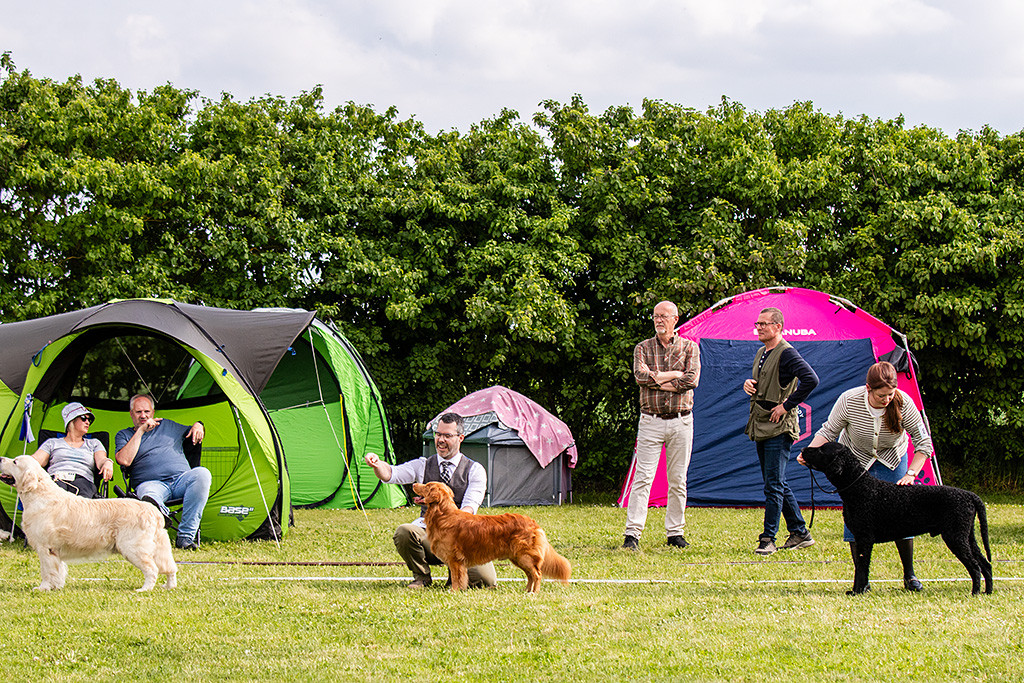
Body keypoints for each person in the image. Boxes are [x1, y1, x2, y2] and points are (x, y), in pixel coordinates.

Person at [800, 360, 933, 591]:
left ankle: (910, 576)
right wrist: (808, 453)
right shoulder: (849, 400)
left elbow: (924, 443)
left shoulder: (904, 403)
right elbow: (829, 431)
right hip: (856, 463)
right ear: (868, 388)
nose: (887, 399)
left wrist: (912, 473)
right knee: (856, 521)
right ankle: (862, 582)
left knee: (902, 517)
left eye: (891, 394)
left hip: (893, 461)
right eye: (882, 395)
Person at [364, 412, 497, 589]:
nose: (440, 440)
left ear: (460, 438)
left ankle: (454, 574)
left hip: (463, 537)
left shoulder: (475, 470)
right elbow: (391, 474)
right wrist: (377, 464)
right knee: (405, 532)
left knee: (484, 581)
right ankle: (422, 577)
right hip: (430, 535)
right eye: (438, 434)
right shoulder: (423, 464)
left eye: (447, 435)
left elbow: (469, 509)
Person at [623, 300, 701, 551]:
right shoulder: (642, 348)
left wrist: (659, 379)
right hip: (651, 421)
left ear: (675, 319)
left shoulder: (690, 347)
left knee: (678, 479)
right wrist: (674, 375)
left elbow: (692, 379)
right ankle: (632, 534)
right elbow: (640, 377)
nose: (658, 320)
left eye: (663, 316)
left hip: (681, 421)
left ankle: (675, 533)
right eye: (656, 316)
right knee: (643, 478)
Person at [743, 306, 819, 556]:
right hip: (761, 420)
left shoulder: (787, 353)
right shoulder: (761, 353)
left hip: (778, 426)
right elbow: (766, 381)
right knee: (775, 481)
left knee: (773, 485)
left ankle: (768, 539)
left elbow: (811, 379)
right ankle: (800, 532)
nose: (759, 327)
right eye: (758, 323)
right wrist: (749, 384)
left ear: (778, 327)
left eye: (764, 323)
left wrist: (787, 406)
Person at [114, 394, 211, 550]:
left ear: (153, 412)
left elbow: (193, 430)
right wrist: (140, 432)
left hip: (181, 480)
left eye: (146, 411)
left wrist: (199, 425)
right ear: (131, 414)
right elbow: (124, 460)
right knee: (148, 495)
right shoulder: (124, 435)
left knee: (202, 474)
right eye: (138, 412)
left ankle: (185, 538)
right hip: (150, 484)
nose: (143, 415)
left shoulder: (168, 426)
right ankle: (161, 515)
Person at [31, 402, 114, 498]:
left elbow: (101, 460)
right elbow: (35, 460)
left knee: (81, 503)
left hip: (83, 480)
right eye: (84, 418)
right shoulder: (52, 443)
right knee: (53, 498)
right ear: (71, 420)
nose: (87, 422)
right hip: (56, 478)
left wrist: (108, 462)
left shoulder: (94, 443)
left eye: (89, 420)